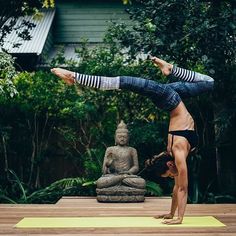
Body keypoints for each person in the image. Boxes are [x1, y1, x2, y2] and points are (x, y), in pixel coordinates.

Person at [51, 56, 214, 224]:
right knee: (209, 83)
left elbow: (181, 188)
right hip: (171, 99)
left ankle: (74, 76)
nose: (173, 177)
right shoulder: (176, 153)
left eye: (169, 175)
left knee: (124, 82)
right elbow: (178, 188)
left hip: (169, 98)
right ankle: (169, 69)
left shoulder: (178, 152)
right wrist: (174, 216)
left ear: (169, 164)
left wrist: (178, 217)